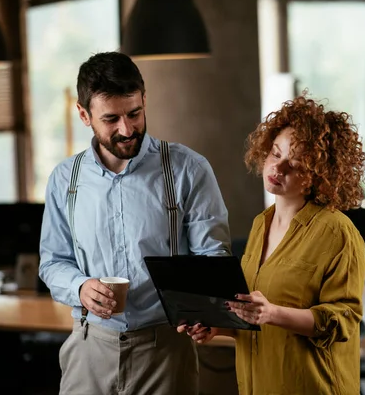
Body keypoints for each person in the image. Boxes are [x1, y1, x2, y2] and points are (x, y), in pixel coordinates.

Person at [39, 51, 231, 395]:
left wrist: (207, 310)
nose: (127, 129)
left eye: (135, 113)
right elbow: (52, 262)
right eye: (111, 119)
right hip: (88, 350)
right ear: (84, 115)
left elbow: (212, 256)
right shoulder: (64, 180)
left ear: (144, 100)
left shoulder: (188, 169)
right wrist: (80, 287)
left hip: (165, 352)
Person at [180, 95, 365, 394]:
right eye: (275, 154)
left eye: (295, 164)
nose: (278, 168)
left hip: (312, 386)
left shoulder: (338, 233)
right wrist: (217, 326)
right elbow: (254, 316)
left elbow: (343, 320)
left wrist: (273, 313)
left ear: (319, 176)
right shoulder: (260, 224)